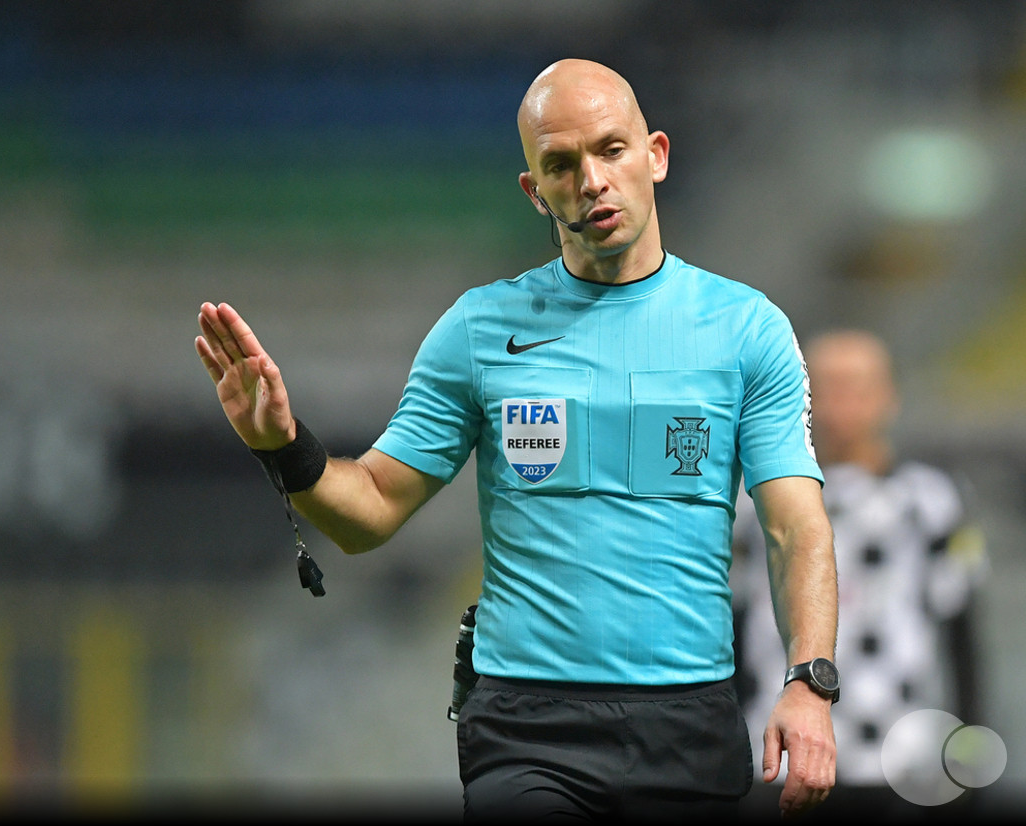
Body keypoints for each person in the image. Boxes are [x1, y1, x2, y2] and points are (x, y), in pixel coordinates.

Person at [195, 58, 838, 821]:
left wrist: (809, 681)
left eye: (611, 150)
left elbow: (796, 527)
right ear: (535, 191)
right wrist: (286, 445)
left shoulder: (747, 330)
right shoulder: (479, 330)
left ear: (656, 155)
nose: (591, 181)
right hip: (529, 729)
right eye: (561, 166)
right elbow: (368, 511)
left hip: (688, 725)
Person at [732, 329, 987, 817]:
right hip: (779, 754)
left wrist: (970, 747)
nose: (840, 405)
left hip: (898, 753)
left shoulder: (929, 500)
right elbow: (733, 626)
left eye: (857, 387)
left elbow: (962, 630)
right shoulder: (754, 500)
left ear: (887, 397)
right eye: (826, 388)